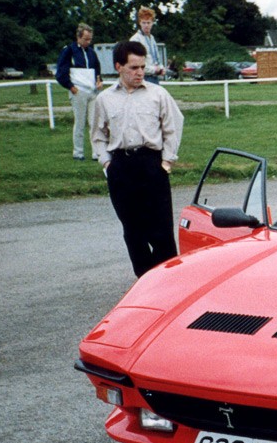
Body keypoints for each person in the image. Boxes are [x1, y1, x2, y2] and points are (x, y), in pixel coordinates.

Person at [92, 40, 184, 277]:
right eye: (133, 67)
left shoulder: (158, 94)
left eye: (142, 67)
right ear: (118, 66)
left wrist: (166, 162)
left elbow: (173, 127)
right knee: (133, 232)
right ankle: (145, 283)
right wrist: (107, 163)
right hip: (121, 168)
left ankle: (168, 282)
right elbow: (98, 135)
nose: (140, 72)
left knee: (161, 232)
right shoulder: (105, 99)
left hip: (152, 165)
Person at [55, 23, 103, 161]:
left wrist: (99, 81)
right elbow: (61, 72)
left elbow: (97, 69)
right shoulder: (69, 51)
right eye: (86, 39)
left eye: (90, 39)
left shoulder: (91, 52)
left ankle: (96, 152)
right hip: (78, 91)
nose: (88, 42)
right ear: (79, 37)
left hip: (93, 92)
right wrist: (71, 87)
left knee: (94, 123)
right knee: (80, 122)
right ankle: (78, 152)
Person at [130, 7, 166, 83]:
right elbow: (136, 63)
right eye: (144, 22)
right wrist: (154, 69)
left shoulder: (152, 38)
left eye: (148, 22)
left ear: (152, 22)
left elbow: (156, 58)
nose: (146, 25)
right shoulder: (135, 39)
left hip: (154, 77)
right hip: (143, 77)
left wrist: (161, 68)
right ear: (140, 22)